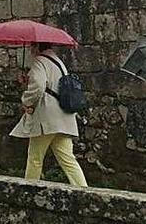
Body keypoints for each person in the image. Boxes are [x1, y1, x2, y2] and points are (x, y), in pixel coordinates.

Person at [10, 43, 87, 187]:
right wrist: (29, 80)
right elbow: (51, 84)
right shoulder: (58, 61)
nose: (31, 50)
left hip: (47, 118)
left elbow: (39, 86)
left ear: (38, 47)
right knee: (68, 159)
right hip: (63, 117)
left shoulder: (40, 61)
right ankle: (84, 190)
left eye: (32, 46)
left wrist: (26, 101)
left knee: (35, 158)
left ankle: (29, 189)